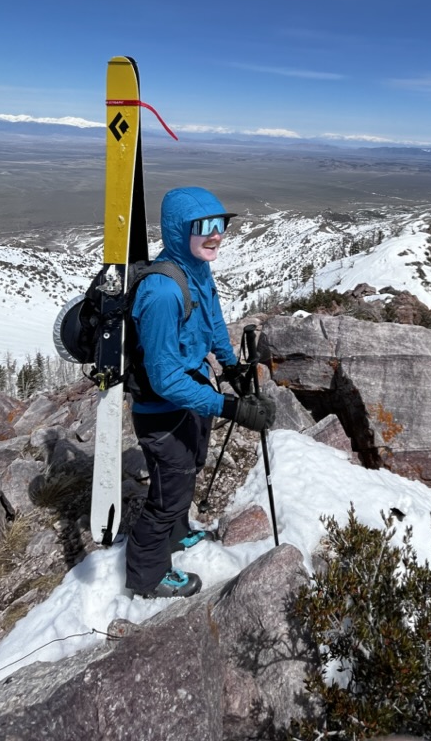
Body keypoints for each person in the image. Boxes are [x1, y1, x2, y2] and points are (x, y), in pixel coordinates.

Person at [124, 185, 275, 599]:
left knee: (191, 464)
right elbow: (164, 379)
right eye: (203, 227)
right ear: (177, 230)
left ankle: (176, 534)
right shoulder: (162, 293)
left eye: (220, 225)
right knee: (168, 491)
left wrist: (230, 367)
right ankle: (146, 576)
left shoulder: (196, 269)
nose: (216, 235)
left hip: (191, 391)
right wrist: (230, 406)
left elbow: (211, 320)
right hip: (160, 408)